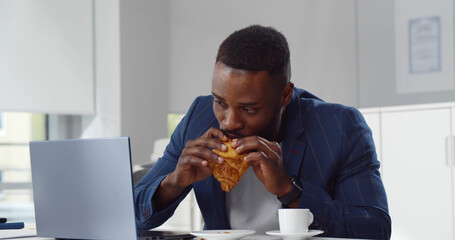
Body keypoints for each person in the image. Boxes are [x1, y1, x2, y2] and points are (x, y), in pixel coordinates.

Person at [134, 25, 391, 239]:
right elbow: (131, 214)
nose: (229, 122)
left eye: (249, 108)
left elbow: (375, 229)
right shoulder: (199, 117)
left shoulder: (339, 127)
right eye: (221, 102)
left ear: (285, 95)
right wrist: (174, 182)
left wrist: (289, 190)